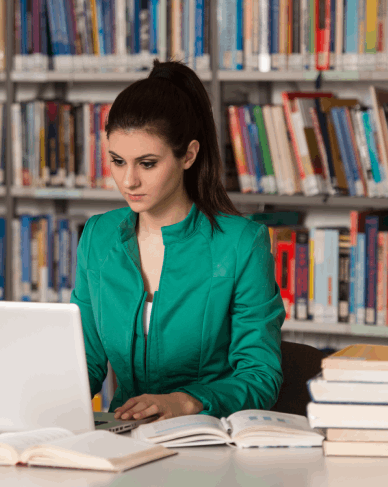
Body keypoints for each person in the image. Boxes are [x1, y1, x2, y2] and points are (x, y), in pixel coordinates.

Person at [70, 59, 285, 423]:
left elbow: (259, 377)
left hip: (207, 439)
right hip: (123, 436)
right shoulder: (98, 237)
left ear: (188, 155)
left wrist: (185, 401)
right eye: (118, 161)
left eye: (147, 163)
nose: (129, 181)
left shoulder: (241, 244)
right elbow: (84, 362)